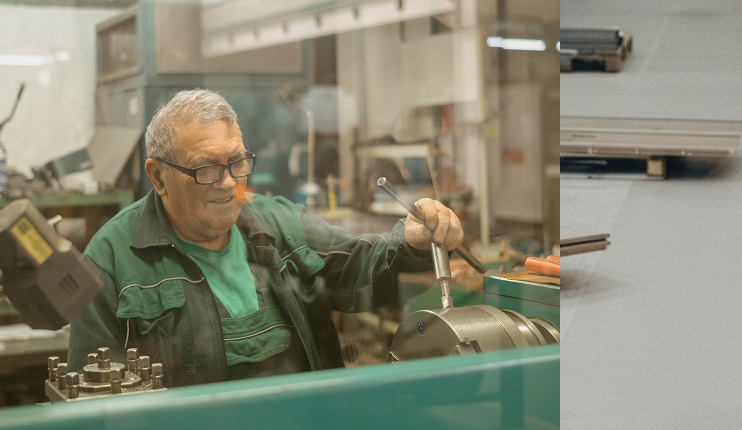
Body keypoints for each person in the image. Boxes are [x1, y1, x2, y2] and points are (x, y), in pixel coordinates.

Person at [67, 89, 463, 386]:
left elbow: (358, 266)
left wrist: (409, 240)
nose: (228, 183)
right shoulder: (113, 258)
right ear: (158, 176)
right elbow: (98, 398)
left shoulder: (279, 223)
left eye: (238, 163)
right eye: (206, 168)